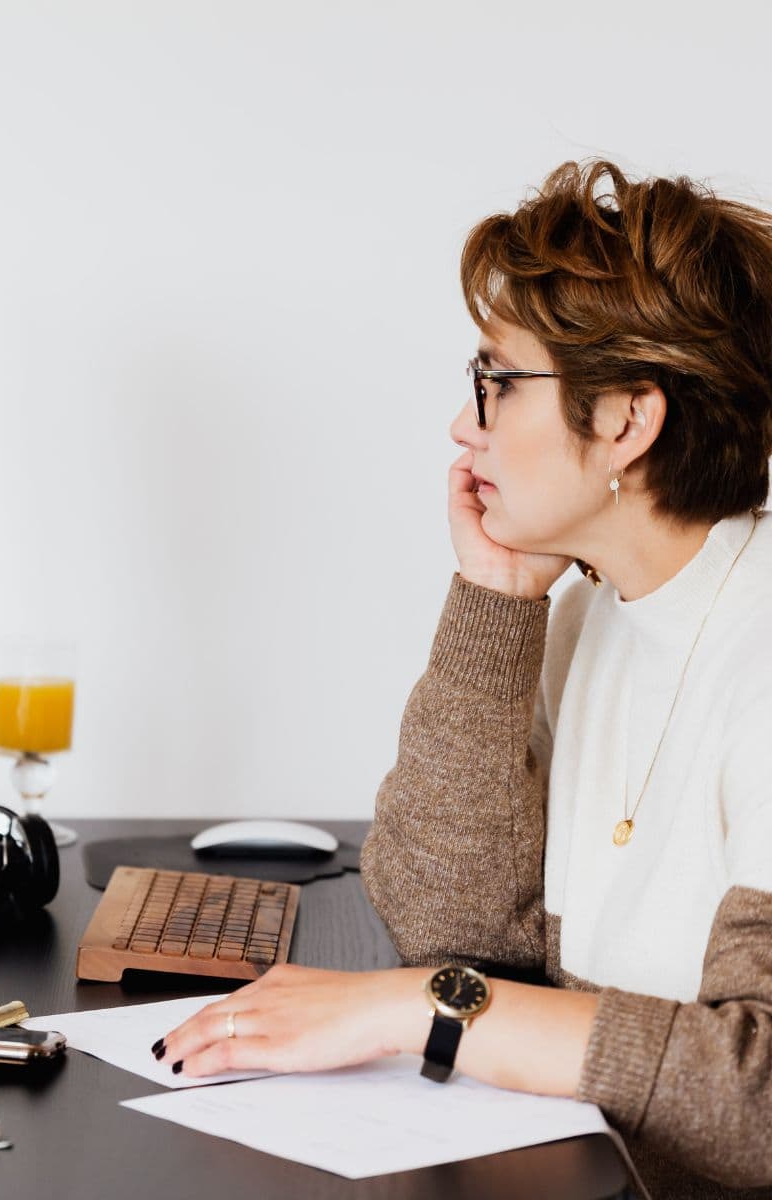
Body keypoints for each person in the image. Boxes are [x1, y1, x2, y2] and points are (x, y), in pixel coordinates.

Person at [154, 159, 772, 1198]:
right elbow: (454, 926)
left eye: (497, 379)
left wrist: (417, 1010)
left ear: (627, 418)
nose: (463, 422)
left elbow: (759, 1105)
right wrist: (495, 600)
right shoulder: (591, 612)